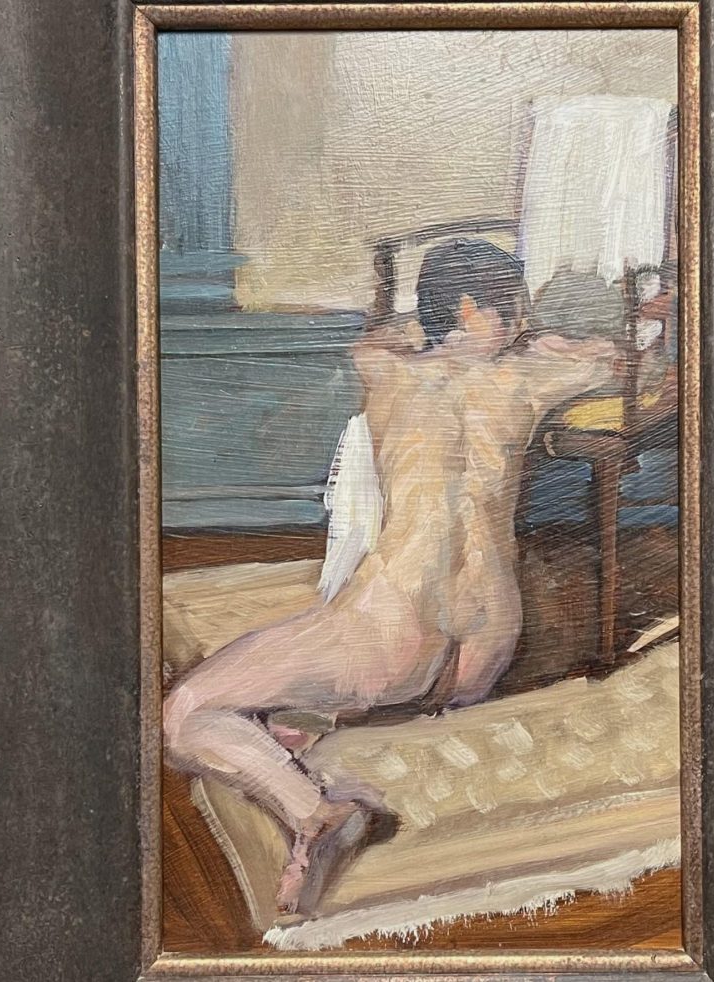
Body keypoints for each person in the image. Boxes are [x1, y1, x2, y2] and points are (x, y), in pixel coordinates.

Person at [163, 239, 620, 920]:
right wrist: (543, 341)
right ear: (474, 308)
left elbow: (382, 337)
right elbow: (609, 357)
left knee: (184, 713)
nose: (521, 318)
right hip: (485, 650)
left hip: (393, 642)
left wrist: (437, 322)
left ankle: (317, 812)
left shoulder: (386, 371)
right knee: (291, 687)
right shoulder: (527, 379)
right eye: (512, 304)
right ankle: (312, 729)